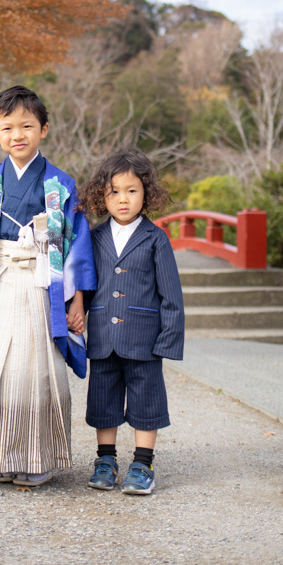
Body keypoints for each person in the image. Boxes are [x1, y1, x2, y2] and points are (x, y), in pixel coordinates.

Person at [0, 85, 96, 487]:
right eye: (7, 127)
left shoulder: (62, 185)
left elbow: (77, 245)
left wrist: (78, 300)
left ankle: (35, 459)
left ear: (44, 129)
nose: (18, 134)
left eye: (27, 125)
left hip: (45, 286)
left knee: (35, 367)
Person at [78, 150, 184, 495]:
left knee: (146, 400)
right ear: (101, 196)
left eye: (131, 191)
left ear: (147, 193)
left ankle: (143, 463)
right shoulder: (94, 239)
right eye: (113, 192)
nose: (122, 199)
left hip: (144, 338)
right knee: (103, 399)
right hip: (103, 336)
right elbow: (86, 288)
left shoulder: (156, 238)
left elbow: (171, 295)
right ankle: (105, 460)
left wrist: (168, 341)